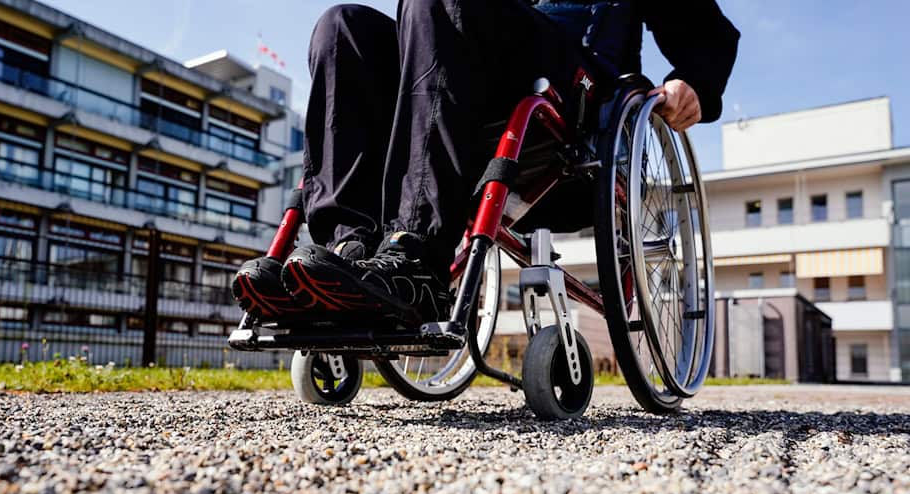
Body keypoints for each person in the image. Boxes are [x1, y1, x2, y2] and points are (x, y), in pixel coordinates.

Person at [233, 0, 739, 326]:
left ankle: (415, 258)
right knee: (342, 27)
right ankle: (345, 249)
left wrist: (692, 80)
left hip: (578, 103)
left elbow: (709, 34)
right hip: (464, 98)